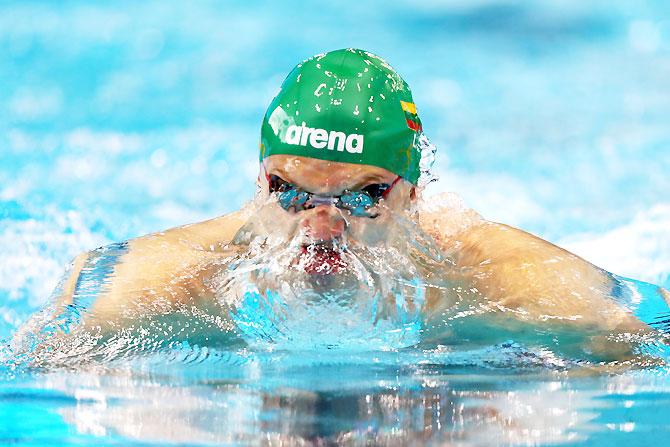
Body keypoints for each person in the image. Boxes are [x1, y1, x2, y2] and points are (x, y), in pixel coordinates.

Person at [15, 49, 669, 362]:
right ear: (259, 181)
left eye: (362, 196)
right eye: (290, 191)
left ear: (414, 192)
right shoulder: (145, 288)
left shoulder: (511, 285)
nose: (322, 225)